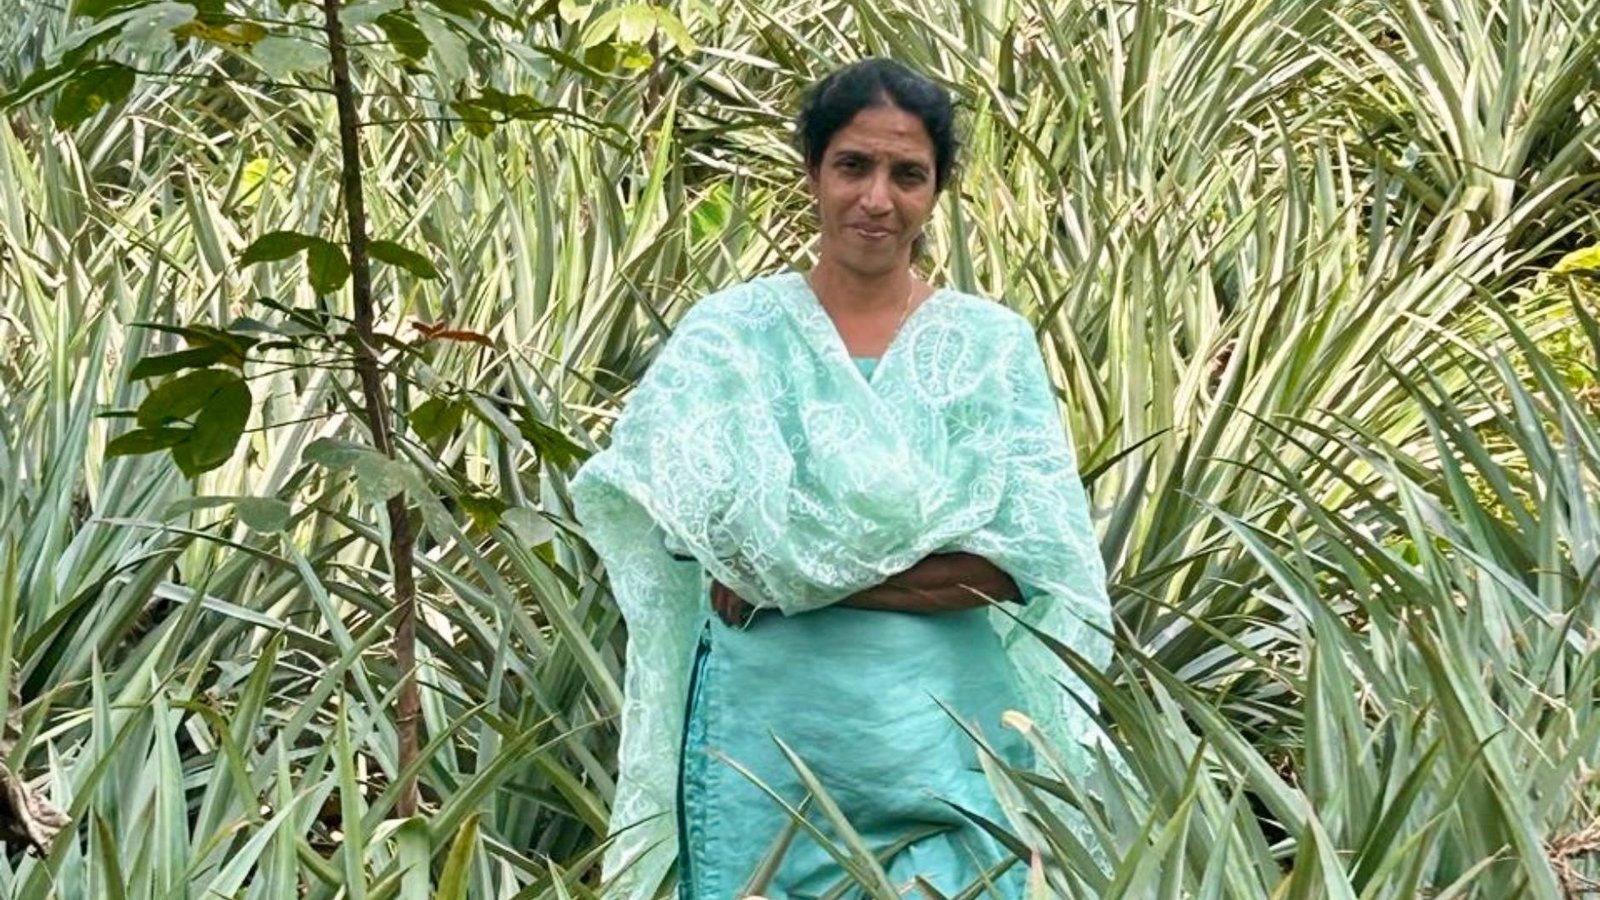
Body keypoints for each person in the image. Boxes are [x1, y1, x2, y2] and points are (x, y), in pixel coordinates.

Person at [570, 58, 1111, 899]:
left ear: (937, 192)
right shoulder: (732, 340)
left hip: (949, 750)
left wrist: (788, 581)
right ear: (814, 174)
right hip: (767, 755)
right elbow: (673, 523)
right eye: (853, 166)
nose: (877, 199)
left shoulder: (990, 349)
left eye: (908, 175)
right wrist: (918, 570)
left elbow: (1019, 569)